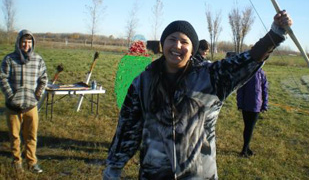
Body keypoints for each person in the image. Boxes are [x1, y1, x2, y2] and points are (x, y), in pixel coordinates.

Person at [103, 10, 292, 180]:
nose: (177, 45)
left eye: (184, 41)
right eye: (171, 39)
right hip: (154, 174)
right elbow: (128, 128)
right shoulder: (142, 82)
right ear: (162, 44)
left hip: (200, 175)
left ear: (192, 49)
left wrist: (275, 33)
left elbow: (248, 60)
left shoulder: (211, 77)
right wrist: (114, 167)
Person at [0, 30, 48, 173]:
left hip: (31, 107)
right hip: (13, 107)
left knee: (31, 136)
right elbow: (2, 78)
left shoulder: (38, 60)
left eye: (29, 42)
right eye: (23, 42)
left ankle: (32, 162)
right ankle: (17, 162)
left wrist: (37, 96)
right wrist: (11, 97)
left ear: (32, 43)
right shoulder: (9, 59)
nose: (26, 45)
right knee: (14, 137)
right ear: (18, 42)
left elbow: (44, 79)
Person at [236, 68, 268, 158]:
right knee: (248, 127)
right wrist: (240, 104)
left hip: (256, 106)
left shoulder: (262, 73)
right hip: (246, 106)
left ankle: (246, 148)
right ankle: (244, 150)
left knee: (250, 128)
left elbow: (265, 90)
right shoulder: (246, 73)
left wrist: (264, 104)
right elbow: (240, 89)